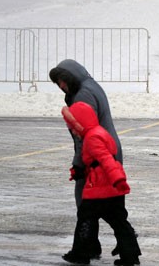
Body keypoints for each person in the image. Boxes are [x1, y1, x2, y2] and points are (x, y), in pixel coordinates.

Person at [50, 59, 123, 262]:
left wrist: (79, 163)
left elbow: (83, 132)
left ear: (70, 77)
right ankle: (115, 243)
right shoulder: (91, 86)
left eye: (62, 81)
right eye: (58, 84)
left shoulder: (83, 94)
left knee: (87, 206)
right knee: (108, 206)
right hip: (106, 152)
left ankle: (85, 249)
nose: (61, 87)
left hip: (97, 156)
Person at [60, 101, 141, 266]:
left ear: (80, 123)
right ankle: (130, 255)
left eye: (73, 126)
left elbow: (105, 159)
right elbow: (98, 161)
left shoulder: (92, 137)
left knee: (85, 218)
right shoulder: (99, 132)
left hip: (100, 189)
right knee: (119, 222)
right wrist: (81, 171)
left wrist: (118, 179)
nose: (73, 131)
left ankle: (80, 253)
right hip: (110, 188)